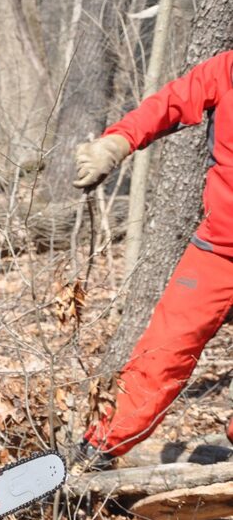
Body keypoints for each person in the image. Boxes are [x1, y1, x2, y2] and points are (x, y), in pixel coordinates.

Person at [74, 50, 233, 464]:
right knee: (163, 351)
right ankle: (99, 449)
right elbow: (169, 103)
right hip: (219, 249)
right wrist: (117, 141)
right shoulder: (227, 70)